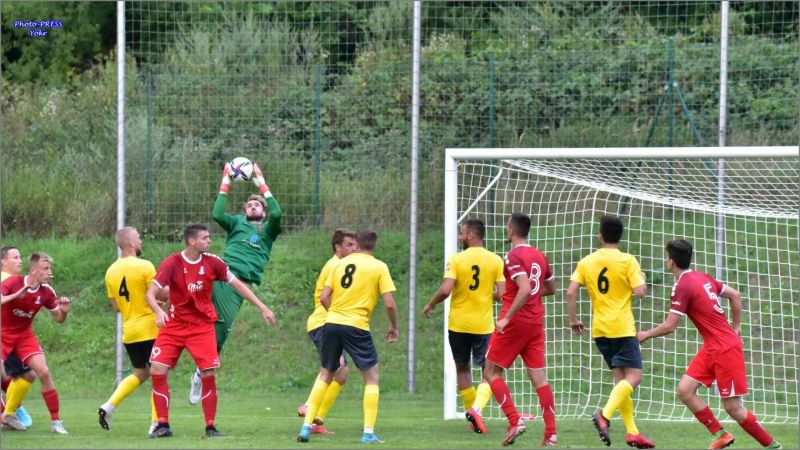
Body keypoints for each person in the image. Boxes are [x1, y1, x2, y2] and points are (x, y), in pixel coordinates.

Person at [637, 239, 782, 450]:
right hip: (712, 347)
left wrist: (645, 335)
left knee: (733, 408)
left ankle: (774, 446)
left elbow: (670, 326)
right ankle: (721, 435)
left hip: (725, 349)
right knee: (685, 390)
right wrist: (736, 326)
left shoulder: (682, 285)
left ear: (671, 262)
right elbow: (734, 294)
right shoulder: (701, 276)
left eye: (667, 257)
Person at [145, 223, 277, 438]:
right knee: (156, 370)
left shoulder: (213, 262)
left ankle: (210, 427)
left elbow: (238, 284)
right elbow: (151, 294)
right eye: (205, 238)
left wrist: (263, 307)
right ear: (192, 241)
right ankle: (162, 425)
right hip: (175, 326)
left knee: (208, 373)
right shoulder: (172, 262)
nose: (210, 241)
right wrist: (158, 313)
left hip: (202, 327)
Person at [188, 161, 282, 404]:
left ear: (263, 211)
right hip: (220, 271)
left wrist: (261, 182)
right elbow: (217, 214)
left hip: (237, 285)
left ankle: (200, 372)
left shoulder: (268, 230)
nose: (253, 206)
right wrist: (226, 181)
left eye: (257, 205)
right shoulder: (236, 223)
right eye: (249, 204)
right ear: (244, 211)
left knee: (220, 331)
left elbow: (278, 213)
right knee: (187, 294)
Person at [297, 229, 398, 444]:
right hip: (356, 325)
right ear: (374, 245)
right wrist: (394, 326)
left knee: (327, 374)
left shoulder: (339, 264)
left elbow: (325, 296)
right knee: (371, 378)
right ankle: (368, 433)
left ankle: (306, 427)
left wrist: (335, 313)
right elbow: (389, 303)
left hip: (331, 323)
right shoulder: (379, 266)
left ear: (358, 244)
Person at [565, 215, 655, 449]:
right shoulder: (627, 260)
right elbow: (641, 291)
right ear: (620, 236)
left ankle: (632, 432)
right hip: (622, 328)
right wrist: (642, 278)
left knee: (620, 381)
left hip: (600, 330)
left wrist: (574, 319)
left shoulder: (587, 261)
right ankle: (604, 415)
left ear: (600, 235)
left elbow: (570, 292)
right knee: (634, 378)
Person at [422, 219, 504, 435]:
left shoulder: (456, 260)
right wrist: (487, 294)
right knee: (490, 371)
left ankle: (472, 414)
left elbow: (446, 289)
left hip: (458, 325)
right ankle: (477, 411)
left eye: (461, 233)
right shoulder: (495, 260)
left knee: (462, 368)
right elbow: (503, 295)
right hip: (483, 326)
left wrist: (430, 303)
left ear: (470, 236)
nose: (459, 237)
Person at [482, 213, 558, 447]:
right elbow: (550, 288)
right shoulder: (539, 255)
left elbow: (524, 289)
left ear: (512, 230)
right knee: (539, 378)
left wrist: (506, 318)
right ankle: (551, 434)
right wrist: (527, 295)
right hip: (536, 322)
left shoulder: (512, 256)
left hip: (516, 323)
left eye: (507, 227)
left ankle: (515, 421)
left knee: (491, 372)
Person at [0, 252, 71, 434]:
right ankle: (8, 413)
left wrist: (64, 312)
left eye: (50, 268)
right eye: (45, 269)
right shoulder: (12, 282)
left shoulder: (47, 292)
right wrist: (17, 295)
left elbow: (58, 319)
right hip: (3, 333)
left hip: (24, 336)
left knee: (43, 372)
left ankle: (56, 421)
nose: (49, 272)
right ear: (33, 270)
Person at [98, 227, 160, 434]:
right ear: (131, 243)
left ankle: (109, 405)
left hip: (130, 331)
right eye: (139, 238)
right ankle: (156, 424)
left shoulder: (110, 271)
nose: (141, 241)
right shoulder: (145, 266)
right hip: (150, 328)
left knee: (141, 373)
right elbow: (158, 294)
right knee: (159, 375)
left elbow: (116, 306)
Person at [297, 228, 357, 434]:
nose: (354, 248)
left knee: (341, 374)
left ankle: (315, 421)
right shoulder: (335, 265)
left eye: (355, 244)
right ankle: (308, 405)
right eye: (349, 245)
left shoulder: (344, 265)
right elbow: (325, 299)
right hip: (323, 323)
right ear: (337, 247)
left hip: (332, 323)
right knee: (336, 365)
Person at [0, 246, 35, 429]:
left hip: (11, 336)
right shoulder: (10, 281)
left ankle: (12, 409)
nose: (20, 261)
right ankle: (9, 413)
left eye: (20, 257)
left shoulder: (17, 281)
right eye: (15, 257)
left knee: (20, 374)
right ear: (3, 261)